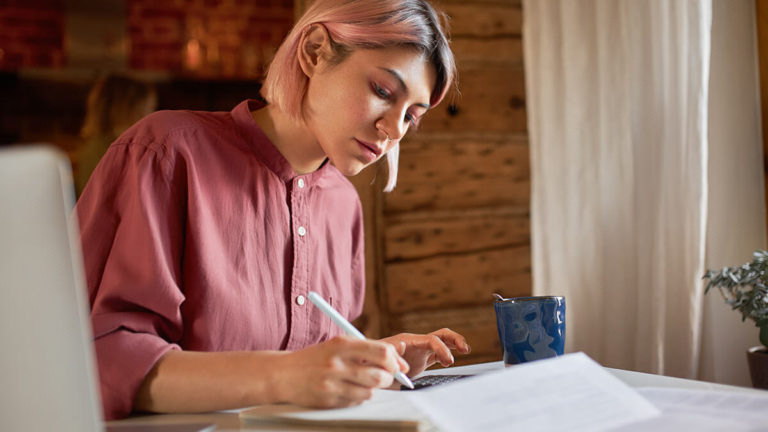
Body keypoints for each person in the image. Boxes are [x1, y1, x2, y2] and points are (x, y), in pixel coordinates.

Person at [76, 0, 470, 420]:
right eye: (382, 91)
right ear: (315, 50)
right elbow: (99, 358)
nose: (393, 131)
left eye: (411, 116)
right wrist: (283, 375)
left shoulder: (344, 206)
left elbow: (306, 371)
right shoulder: (166, 153)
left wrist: (365, 366)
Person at [75, 73, 157, 197]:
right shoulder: (107, 151)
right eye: (147, 110)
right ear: (127, 111)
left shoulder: (101, 147)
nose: (150, 117)